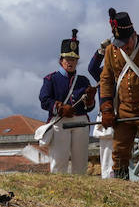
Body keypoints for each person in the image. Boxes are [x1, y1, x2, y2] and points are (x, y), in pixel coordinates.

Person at [97, 8, 139, 180]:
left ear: (133, 35)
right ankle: (121, 187)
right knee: (119, 152)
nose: (124, 46)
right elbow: (106, 80)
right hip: (124, 110)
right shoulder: (111, 51)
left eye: (126, 42)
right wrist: (107, 108)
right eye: (120, 43)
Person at [35, 30, 96, 175]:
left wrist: (91, 99)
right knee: (59, 160)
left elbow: (89, 108)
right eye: (68, 59)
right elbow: (44, 100)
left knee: (80, 161)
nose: (70, 62)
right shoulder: (51, 79)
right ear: (61, 60)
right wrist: (60, 107)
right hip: (60, 121)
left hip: (80, 121)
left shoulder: (83, 80)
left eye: (73, 59)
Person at [87, 10, 116, 178]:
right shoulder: (104, 72)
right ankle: (106, 176)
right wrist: (101, 51)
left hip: (123, 113)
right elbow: (92, 68)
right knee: (106, 152)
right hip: (107, 114)